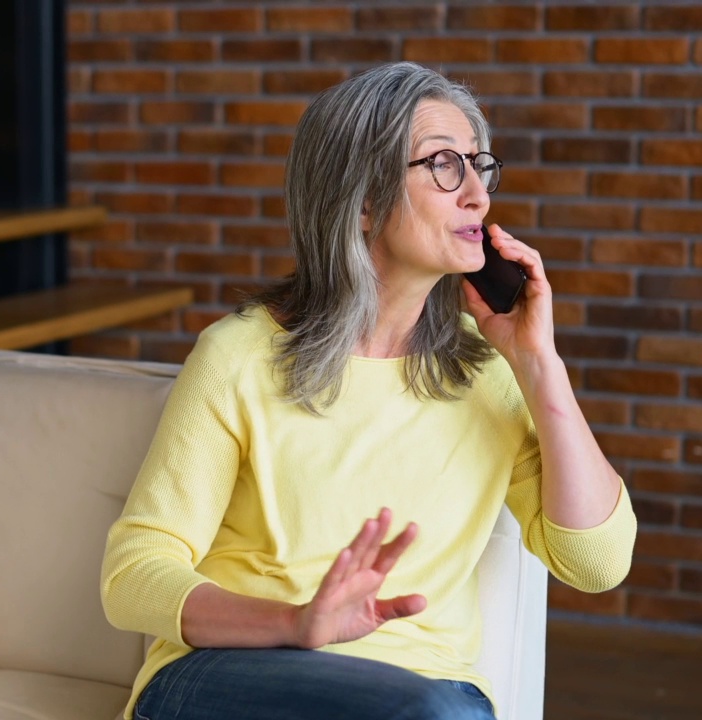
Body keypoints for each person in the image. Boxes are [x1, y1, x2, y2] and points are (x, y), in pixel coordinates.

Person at [100, 61, 637, 720]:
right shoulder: (240, 356)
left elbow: (596, 562)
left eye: (478, 164)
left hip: (426, 693)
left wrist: (539, 363)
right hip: (230, 676)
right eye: (444, 165)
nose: (477, 195)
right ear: (361, 202)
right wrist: (298, 623)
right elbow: (133, 575)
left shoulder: (486, 372)